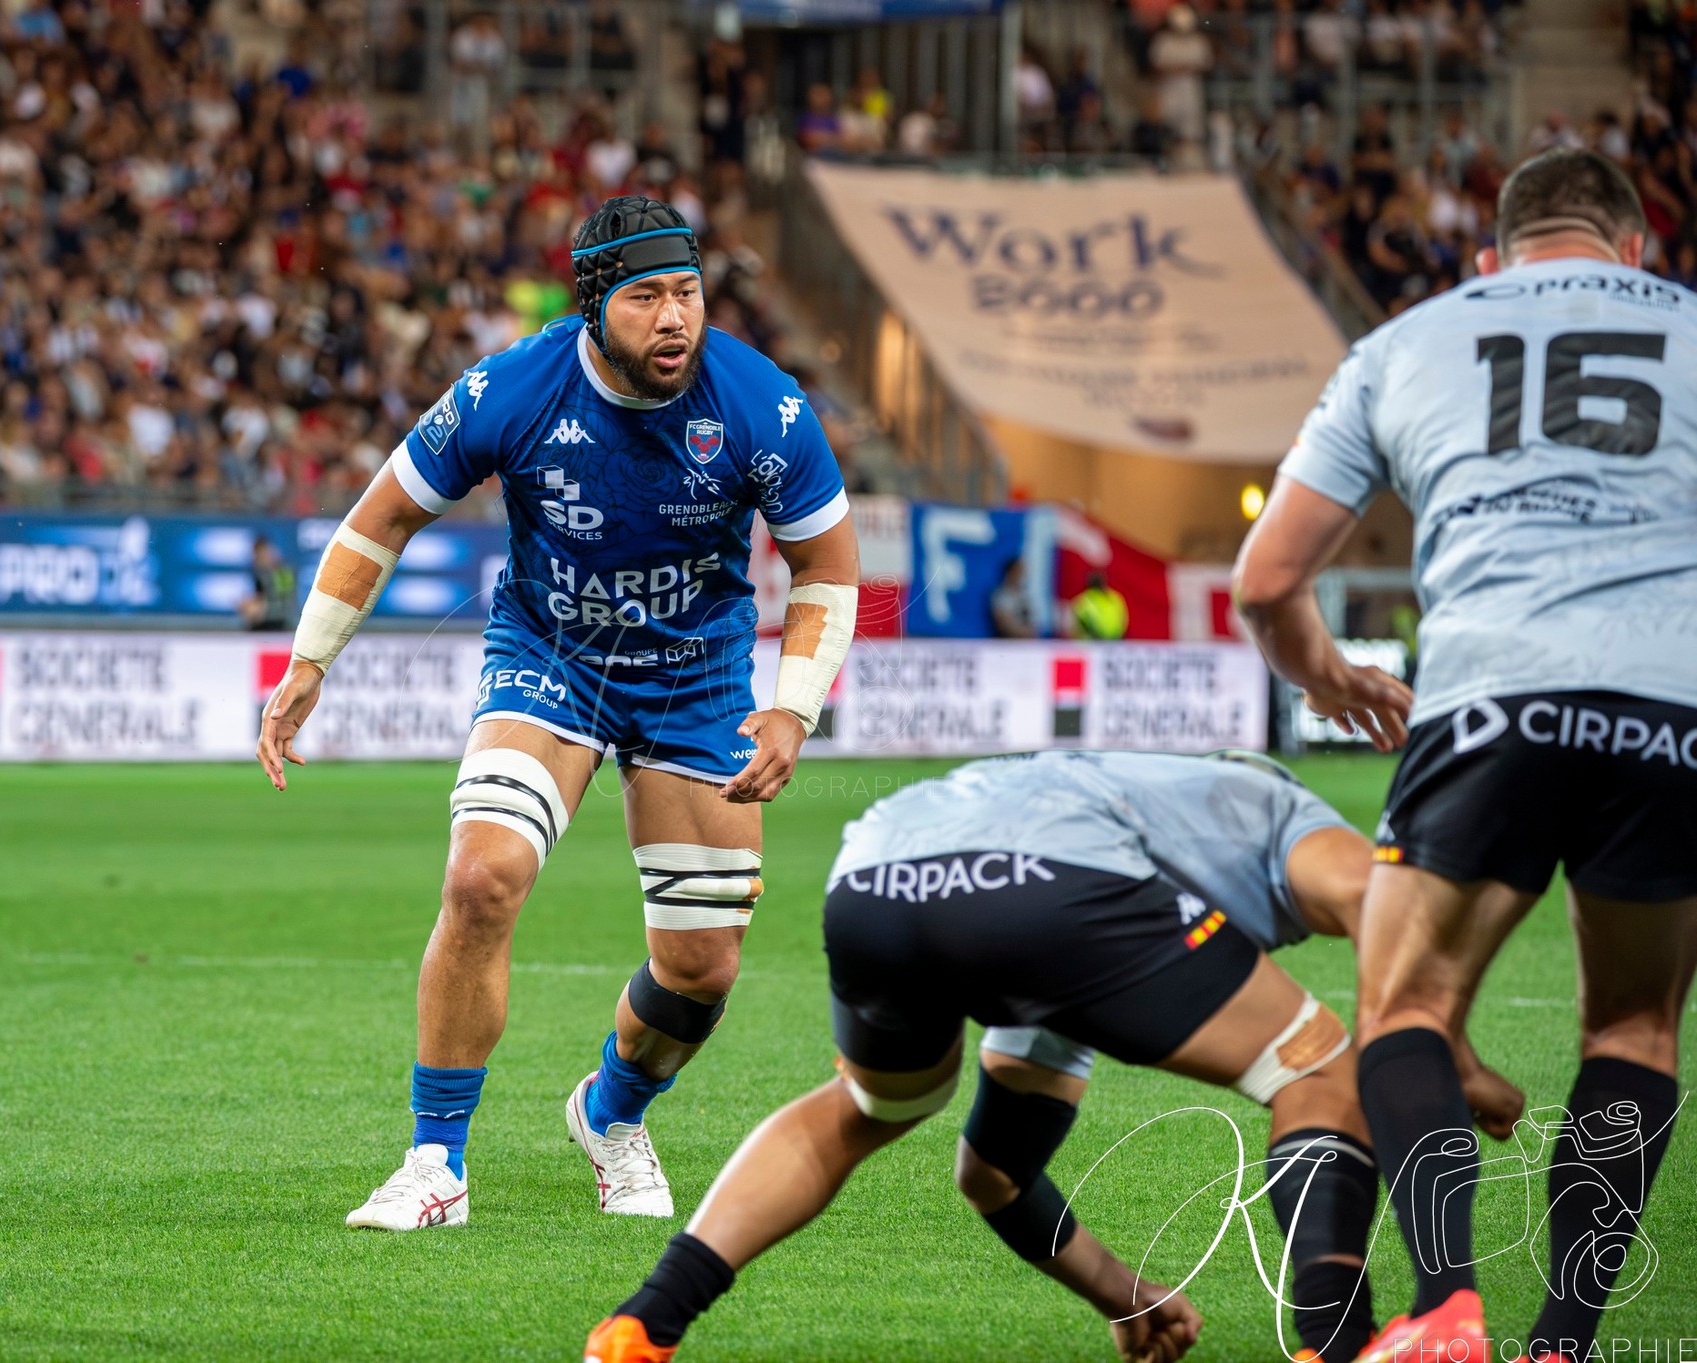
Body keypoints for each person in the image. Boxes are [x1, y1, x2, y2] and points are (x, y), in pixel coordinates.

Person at [257, 197, 858, 1230]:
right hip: (552, 659)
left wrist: (792, 709)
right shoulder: (512, 387)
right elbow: (381, 517)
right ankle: (434, 1162)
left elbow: (827, 568)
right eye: (644, 298)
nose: (674, 319)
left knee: (700, 967)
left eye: (686, 293)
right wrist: (309, 662)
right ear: (591, 306)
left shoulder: (762, 403)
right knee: (481, 876)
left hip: (697, 677)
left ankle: (609, 1113)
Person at [584, 751, 1523, 1363]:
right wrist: (1456, 1058)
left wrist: (1124, 1294)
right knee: (1320, 1069)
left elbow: (993, 1174)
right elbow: (1377, 906)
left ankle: (644, 1324)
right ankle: (1337, 1342)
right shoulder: (1274, 804)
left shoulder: (1090, 813)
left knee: (862, 1111)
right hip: (1064, 890)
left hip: (877, 877)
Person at [1233, 148, 1697, 1363]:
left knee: (1407, 1006)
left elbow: (1265, 580)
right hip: (1669, 709)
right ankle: (1563, 1341)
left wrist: (1331, 677)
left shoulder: (1407, 340)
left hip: (1487, 699)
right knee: (1636, 1027)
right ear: (1634, 250)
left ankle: (1444, 1307)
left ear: (1488, 259)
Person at [236, 535, 296, 633]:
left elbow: (286, 603)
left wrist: (262, 609)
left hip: (278, 622)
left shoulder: (283, 572)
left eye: (262, 553)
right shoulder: (258, 572)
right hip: (259, 622)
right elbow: (257, 596)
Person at [1071, 570, 1129, 639]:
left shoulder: (1083, 600)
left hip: (1092, 642)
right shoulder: (1115, 597)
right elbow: (1124, 619)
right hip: (1115, 640)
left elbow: (1075, 626)